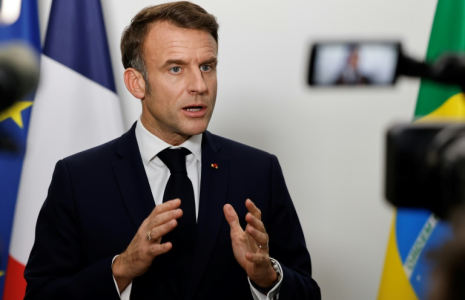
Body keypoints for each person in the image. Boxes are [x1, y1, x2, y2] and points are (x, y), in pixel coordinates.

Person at [24, 2, 320, 300]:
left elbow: (308, 292)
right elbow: (41, 294)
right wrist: (122, 269)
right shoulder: (79, 178)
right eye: (176, 68)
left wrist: (268, 278)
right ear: (136, 82)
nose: (199, 85)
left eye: (207, 66)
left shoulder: (259, 170)